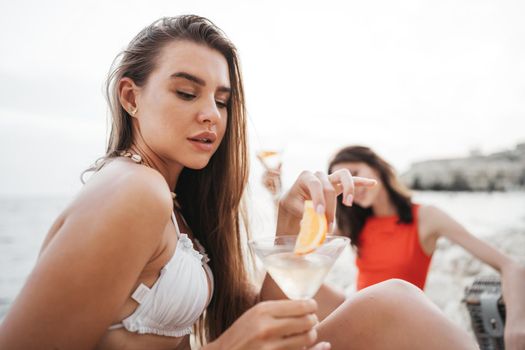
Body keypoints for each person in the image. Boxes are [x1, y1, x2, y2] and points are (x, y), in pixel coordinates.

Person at [0, 16, 478, 350]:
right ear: (130, 96)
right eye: (186, 92)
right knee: (393, 308)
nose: (210, 113)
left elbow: (255, 326)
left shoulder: (173, 202)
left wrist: (289, 226)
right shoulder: (133, 191)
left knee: (395, 307)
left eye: (223, 101)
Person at [327, 145, 525, 349]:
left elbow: (510, 266)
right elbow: (297, 253)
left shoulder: (425, 217)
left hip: (399, 325)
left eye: (354, 173)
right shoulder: (353, 224)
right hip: (358, 318)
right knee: (311, 292)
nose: (352, 184)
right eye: (343, 181)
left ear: (376, 168)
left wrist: (517, 323)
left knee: (393, 292)